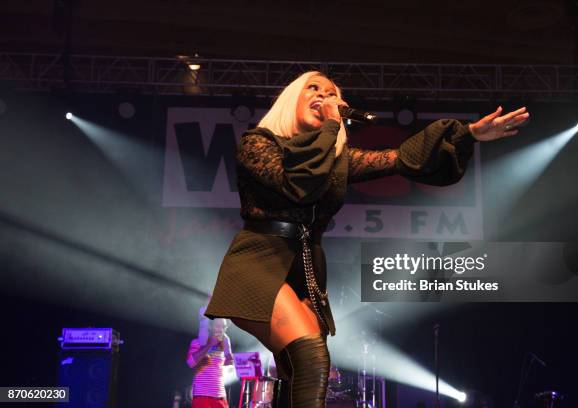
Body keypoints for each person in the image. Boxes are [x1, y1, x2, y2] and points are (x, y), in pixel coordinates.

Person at [205, 71, 529, 407]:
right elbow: (297, 185)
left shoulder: (336, 162)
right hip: (259, 261)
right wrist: (332, 127)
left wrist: (469, 135)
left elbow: (401, 159)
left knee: (296, 370)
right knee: (312, 356)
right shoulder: (258, 143)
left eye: (331, 93)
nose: (323, 96)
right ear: (291, 99)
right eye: (313, 89)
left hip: (303, 270)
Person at [186, 318, 234, 408]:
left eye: (223, 327)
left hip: (220, 396)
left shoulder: (224, 344)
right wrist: (209, 345)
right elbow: (190, 363)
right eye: (218, 326)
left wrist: (230, 359)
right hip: (202, 396)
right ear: (210, 326)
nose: (221, 330)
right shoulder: (197, 342)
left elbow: (229, 366)